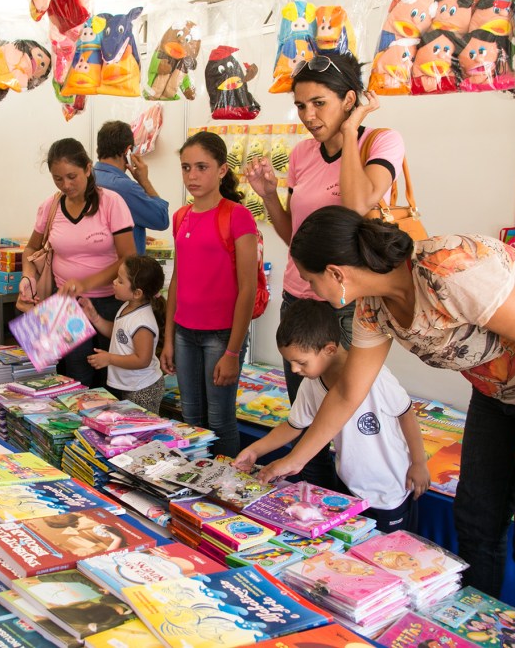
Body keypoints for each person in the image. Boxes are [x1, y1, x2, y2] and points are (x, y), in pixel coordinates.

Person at [262, 205, 515, 626]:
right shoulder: (372, 307)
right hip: (498, 393)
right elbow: (346, 393)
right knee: (474, 521)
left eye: (310, 279)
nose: (309, 289)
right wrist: (296, 458)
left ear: (337, 273)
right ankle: (478, 628)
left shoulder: (450, 270)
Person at [245, 51, 406, 490]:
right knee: (303, 404)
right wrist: (269, 196)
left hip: (348, 303)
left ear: (350, 99)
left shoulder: (381, 141)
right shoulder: (300, 154)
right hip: (299, 296)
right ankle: (306, 498)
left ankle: (348, 501)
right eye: (300, 105)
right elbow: (298, 240)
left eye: (319, 103)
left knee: (350, 410)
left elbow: (356, 206)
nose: (308, 115)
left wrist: (352, 130)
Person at [234, 300, 430, 532]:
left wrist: (418, 463)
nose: (295, 369)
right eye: (290, 362)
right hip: (349, 486)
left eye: (301, 362)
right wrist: (255, 450)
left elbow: (406, 414)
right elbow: (293, 425)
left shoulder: (375, 377)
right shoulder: (312, 384)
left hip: (390, 491)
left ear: (329, 349)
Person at [160, 131, 256, 458]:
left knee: (219, 420)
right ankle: (197, 488)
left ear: (221, 170)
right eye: (186, 168)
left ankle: (228, 489)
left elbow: (248, 289)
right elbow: (177, 282)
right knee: (190, 418)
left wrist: (232, 352)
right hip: (185, 333)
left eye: (201, 167)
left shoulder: (237, 216)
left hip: (222, 335)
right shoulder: (180, 217)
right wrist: (169, 338)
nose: (192, 176)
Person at [19, 138, 137, 388]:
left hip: (110, 303)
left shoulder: (111, 202)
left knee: (109, 381)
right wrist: (28, 276)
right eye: (58, 179)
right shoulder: (50, 206)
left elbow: (129, 257)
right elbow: (32, 248)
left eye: (72, 176)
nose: (66, 185)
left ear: (87, 168)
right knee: (73, 380)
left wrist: (85, 284)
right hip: (65, 307)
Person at [80, 254, 166, 413]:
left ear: (137, 293)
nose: (114, 282)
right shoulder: (128, 306)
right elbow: (119, 334)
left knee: (142, 430)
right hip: (132, 386)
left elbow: (142, 360)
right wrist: (94, 317)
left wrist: (109, 358)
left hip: (143, 388)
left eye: (120, 281)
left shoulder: (142, 322)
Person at [93, 120, 169, 255]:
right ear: (127, 151)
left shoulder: (88, 179)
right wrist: (144, 181)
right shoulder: (125, 187)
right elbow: (161, 220)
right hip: (122, 271)